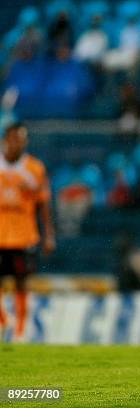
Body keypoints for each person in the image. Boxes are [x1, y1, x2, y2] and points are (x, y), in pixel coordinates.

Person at [0, 123, 55, 341]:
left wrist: (48, 235)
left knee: (21, 282)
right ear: (6, 139)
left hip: (24, 236)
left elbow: (44, 205)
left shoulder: (35, 168)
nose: (18, 143)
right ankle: (4, 321)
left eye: (22, 139)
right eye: (15, 138)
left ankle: (21, 331)